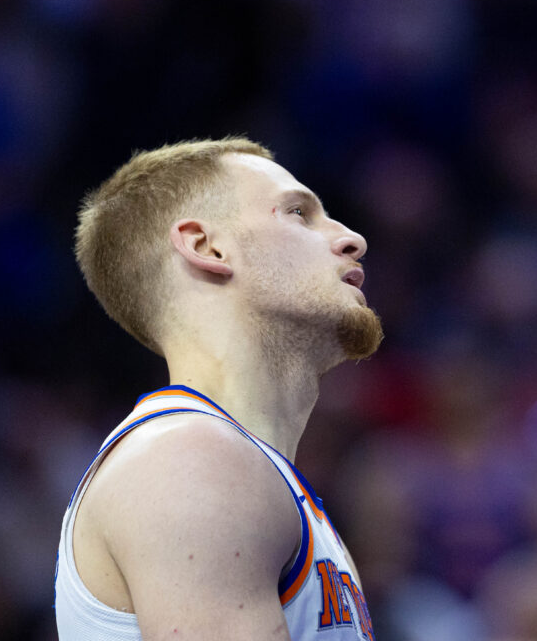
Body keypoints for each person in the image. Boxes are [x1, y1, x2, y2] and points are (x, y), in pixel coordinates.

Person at [55, 138, 382, 640]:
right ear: (207, 247)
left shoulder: (244, 468)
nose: (352, 238)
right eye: (299, 213)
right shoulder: (190, 457)